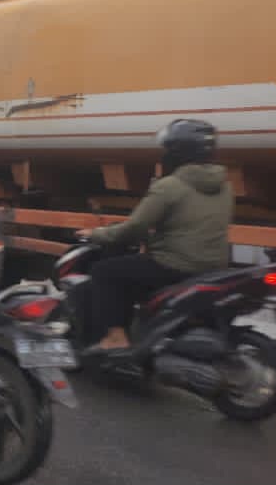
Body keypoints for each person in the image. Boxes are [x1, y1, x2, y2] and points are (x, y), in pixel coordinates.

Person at [74, 119, 232, 355]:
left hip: (175, 265)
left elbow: (135, 227)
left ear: (178, 151)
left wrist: (97, 234)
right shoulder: (225, 186)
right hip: (215, 267)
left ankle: (116, 338)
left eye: (167, 149)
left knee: (105, 272)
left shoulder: (170, 186)